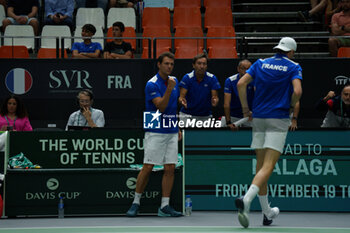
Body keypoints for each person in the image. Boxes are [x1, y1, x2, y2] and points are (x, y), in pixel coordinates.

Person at [235, 37, 303, 228]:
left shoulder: (261, 63)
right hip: (278, 119)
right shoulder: (293, 66)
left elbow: (241, 84)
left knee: (260, 169)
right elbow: (297, 91)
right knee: (268, 167)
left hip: (259, 118)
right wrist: (289, 105)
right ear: (291, 52)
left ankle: (267, 213)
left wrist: (245, 110)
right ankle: (246, 199)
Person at [126, 52, 183, 217]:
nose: (169, 67)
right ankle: (136, 202)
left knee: (170, 167)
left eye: (172, 64)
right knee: (148, 166)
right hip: (154, 126)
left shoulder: (175, 81)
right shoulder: (151, 84)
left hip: (171, 127)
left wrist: (177, 125)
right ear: (159, 64)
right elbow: (162, 107)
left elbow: (172, 107)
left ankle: (165, 206)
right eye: (166, 63)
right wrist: (170, 89)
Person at [178, 53, 221, 125]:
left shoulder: (212, 78)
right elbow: (181, 97)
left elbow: (215, 97)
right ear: (193, 65)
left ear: (207, 66)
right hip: (187, 115)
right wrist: (182, 101)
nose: (202, 66)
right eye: (199, 63)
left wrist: (215, 101)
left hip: (205, 116)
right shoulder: (187, 78)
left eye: (204, 64)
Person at [222, 59, 253, 130]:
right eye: (244, 69)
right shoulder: (230, 81)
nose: (246, 72)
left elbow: (259, 99)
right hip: (233, 116)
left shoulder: (254, 80)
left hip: (249, 117)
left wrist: (254, 113)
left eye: (249, 69)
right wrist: (228, 122)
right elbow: (226, 104)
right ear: (238, 69)